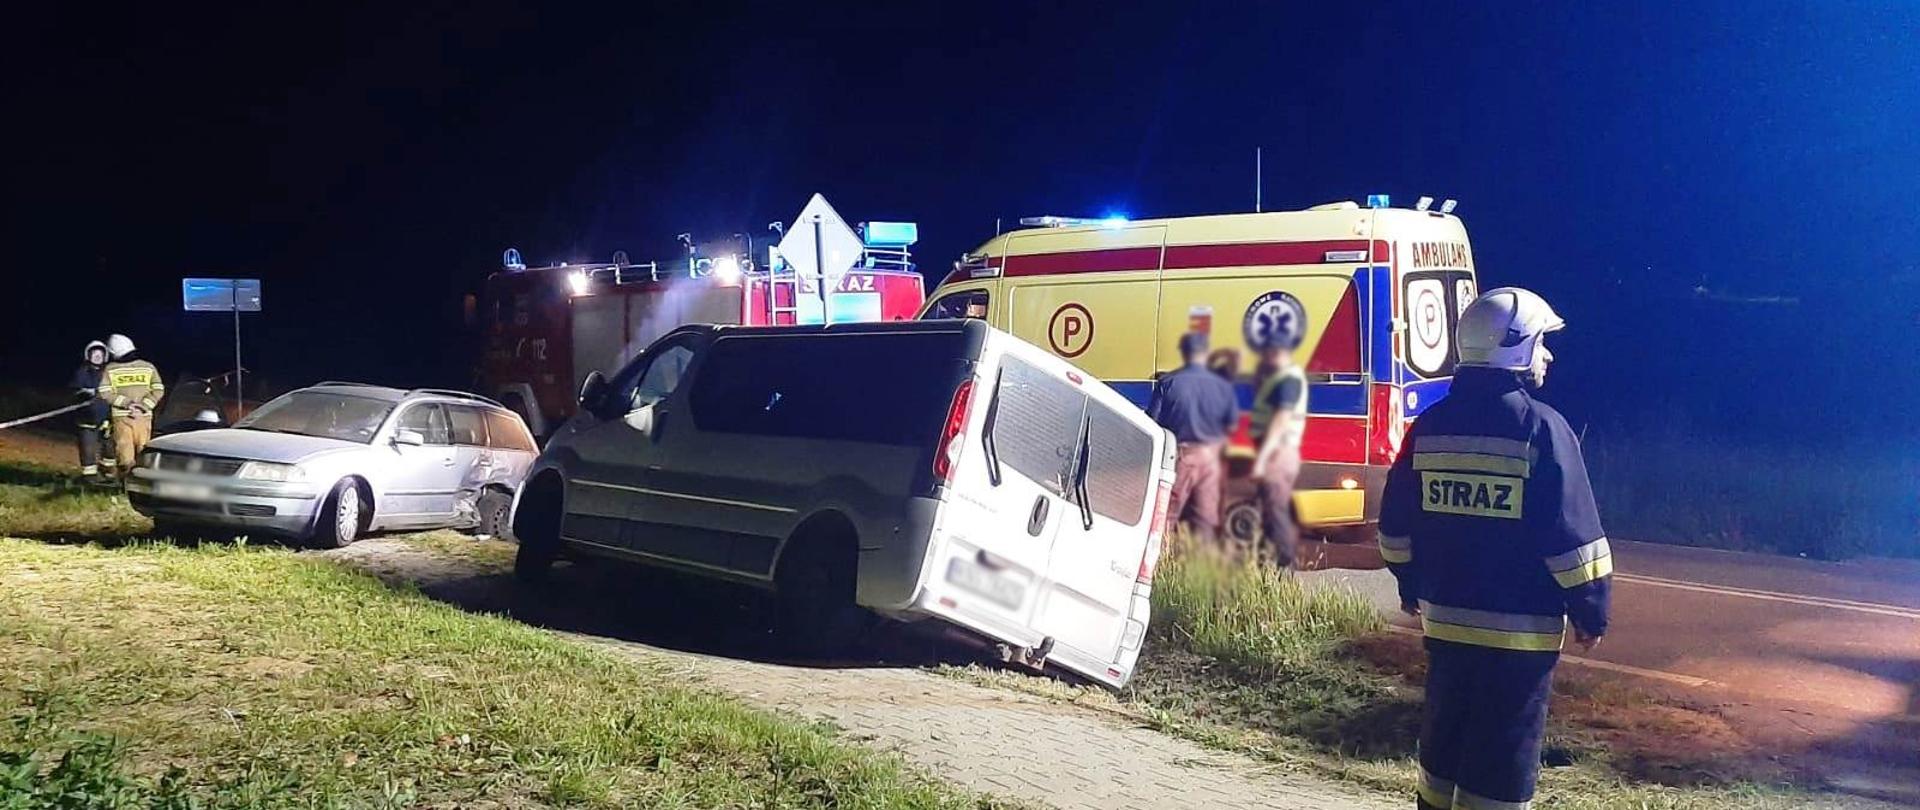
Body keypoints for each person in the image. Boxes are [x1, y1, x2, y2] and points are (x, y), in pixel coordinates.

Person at [1378, 288, 1612, 810]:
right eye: (1541, 343)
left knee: (1444, 741)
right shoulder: (1542, 430)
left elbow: (1395, 526)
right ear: (1518, 350)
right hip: (1519, 638)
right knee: (1502, 754)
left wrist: (1409, 583)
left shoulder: (1431, 426)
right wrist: (1591, 611)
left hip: (1444, 624)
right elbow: (1573, 540)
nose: (1547, 355)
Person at [1146, 332, 1238, 542]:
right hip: (1212, 458)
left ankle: (1162, 563)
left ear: (1185, 353)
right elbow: (1231, 423)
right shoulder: (1222, 386)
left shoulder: (1168, 383)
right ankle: (1201, 566)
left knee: (1167, 514)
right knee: (1206, 518)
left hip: (1182, 456)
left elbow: (1153, 421)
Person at [1248, 319, 1307, 568]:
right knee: (1270, 512)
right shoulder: (1281, 377)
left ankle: (1284, 570)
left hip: (1277, 453)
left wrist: (1262, 459)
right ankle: (1269, 566)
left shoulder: (1287, 379)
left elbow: (1281, 419)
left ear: (1276, 351)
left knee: (1277, 513)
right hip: (1276, 451)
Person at [97, 334, 165, 481]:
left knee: (126, 454)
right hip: (140, 417)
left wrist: (127, 404)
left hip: (123, 417)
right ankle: (134, 485)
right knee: (141, 453)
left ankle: (129, 484)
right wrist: (144, 406)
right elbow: (158, 390)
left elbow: (105, 392)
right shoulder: (148, 367)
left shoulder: (110, 369)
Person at [68, 341, 113, 482]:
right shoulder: (82, 372)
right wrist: (84, 393)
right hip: (86, 420)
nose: (98, 356)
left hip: (107, 419)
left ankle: (109, 474)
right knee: (87, 448)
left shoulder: (109, 374)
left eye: (100, 354)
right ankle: (90, 477)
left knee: (110, 449)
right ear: (88, 355)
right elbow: (74, 390)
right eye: (94, 354)